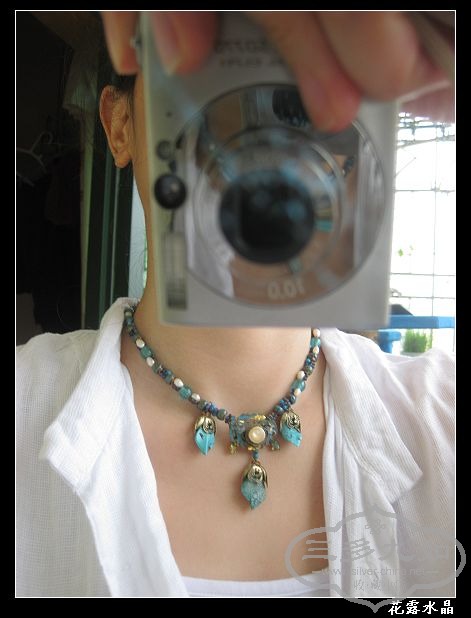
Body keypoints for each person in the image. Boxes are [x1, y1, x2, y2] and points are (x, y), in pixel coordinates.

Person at [16, 11, 455, 598]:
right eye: (211, 67)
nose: (258, 133)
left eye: (303, 81)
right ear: (120, 127)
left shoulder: (442, 419)